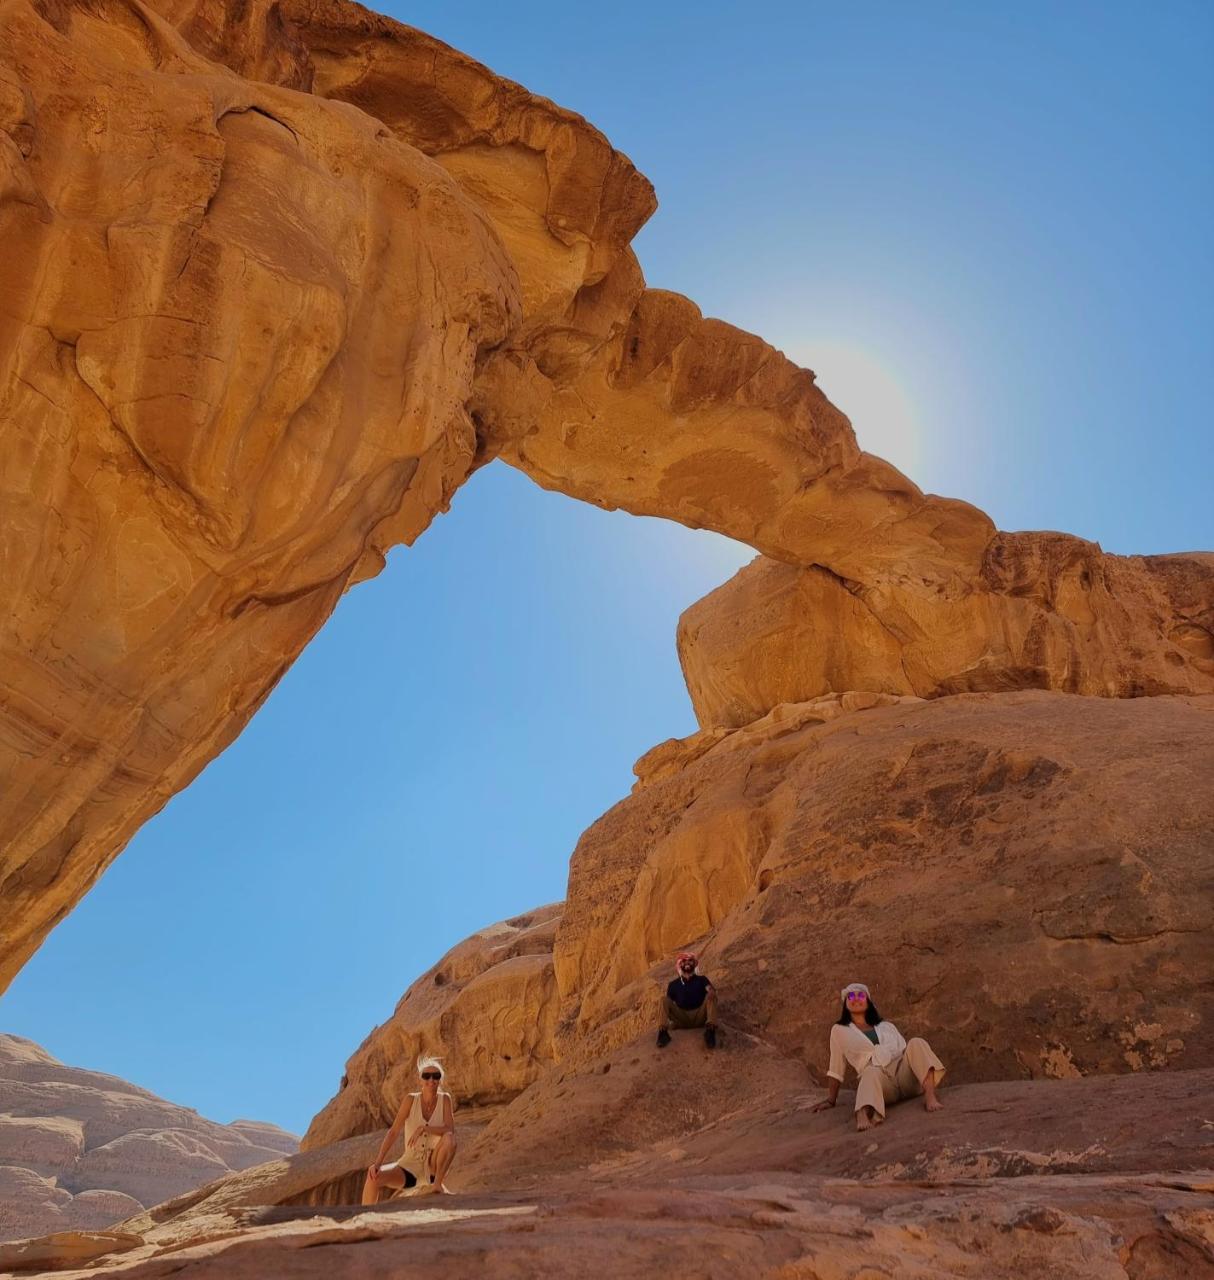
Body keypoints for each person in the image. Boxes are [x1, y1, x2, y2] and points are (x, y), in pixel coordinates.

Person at [812, 982, 945, 1131]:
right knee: (869, 1071)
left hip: (903, 1075)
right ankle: (862, 1114)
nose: (856, 999)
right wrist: (831, 1100)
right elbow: (836, 1067)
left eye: (861, 995)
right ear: (845, 1003)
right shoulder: (839, 1030)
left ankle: (930, 1096)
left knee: (916, 1042)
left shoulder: (886, 1026)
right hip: (881, 1085)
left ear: (868, 1001)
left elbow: (905, 1051)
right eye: (851, 996)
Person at [362, 1056, 458, 1202]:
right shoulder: (411, 1100)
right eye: (426, 1076)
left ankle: (437, 1185)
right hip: (408, 1168)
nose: (431, 1080)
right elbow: (394, 1131)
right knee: (373, 1178)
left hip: (433, 1166)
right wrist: (378, 1163)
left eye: (436, 1076)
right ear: (420, 1080)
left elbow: (449, 1129)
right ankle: (365, 1215)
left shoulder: (445, 1099)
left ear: (440, 1080)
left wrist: (425, 1129)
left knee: (449, 1138)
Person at [656, 951, 718, 1050]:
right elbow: (668, 1003)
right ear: (680, 964)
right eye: (684, 961)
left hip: (699, 1016)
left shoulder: (702, 979)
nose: (687, 963)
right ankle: (663, 1033)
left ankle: (710, 1032)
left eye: (690, 960)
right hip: (682, 1018)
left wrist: (711, 991)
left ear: (694, 963)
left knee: (711, 995)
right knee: (664, 1000)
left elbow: (709, 989)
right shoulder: (673, 984)